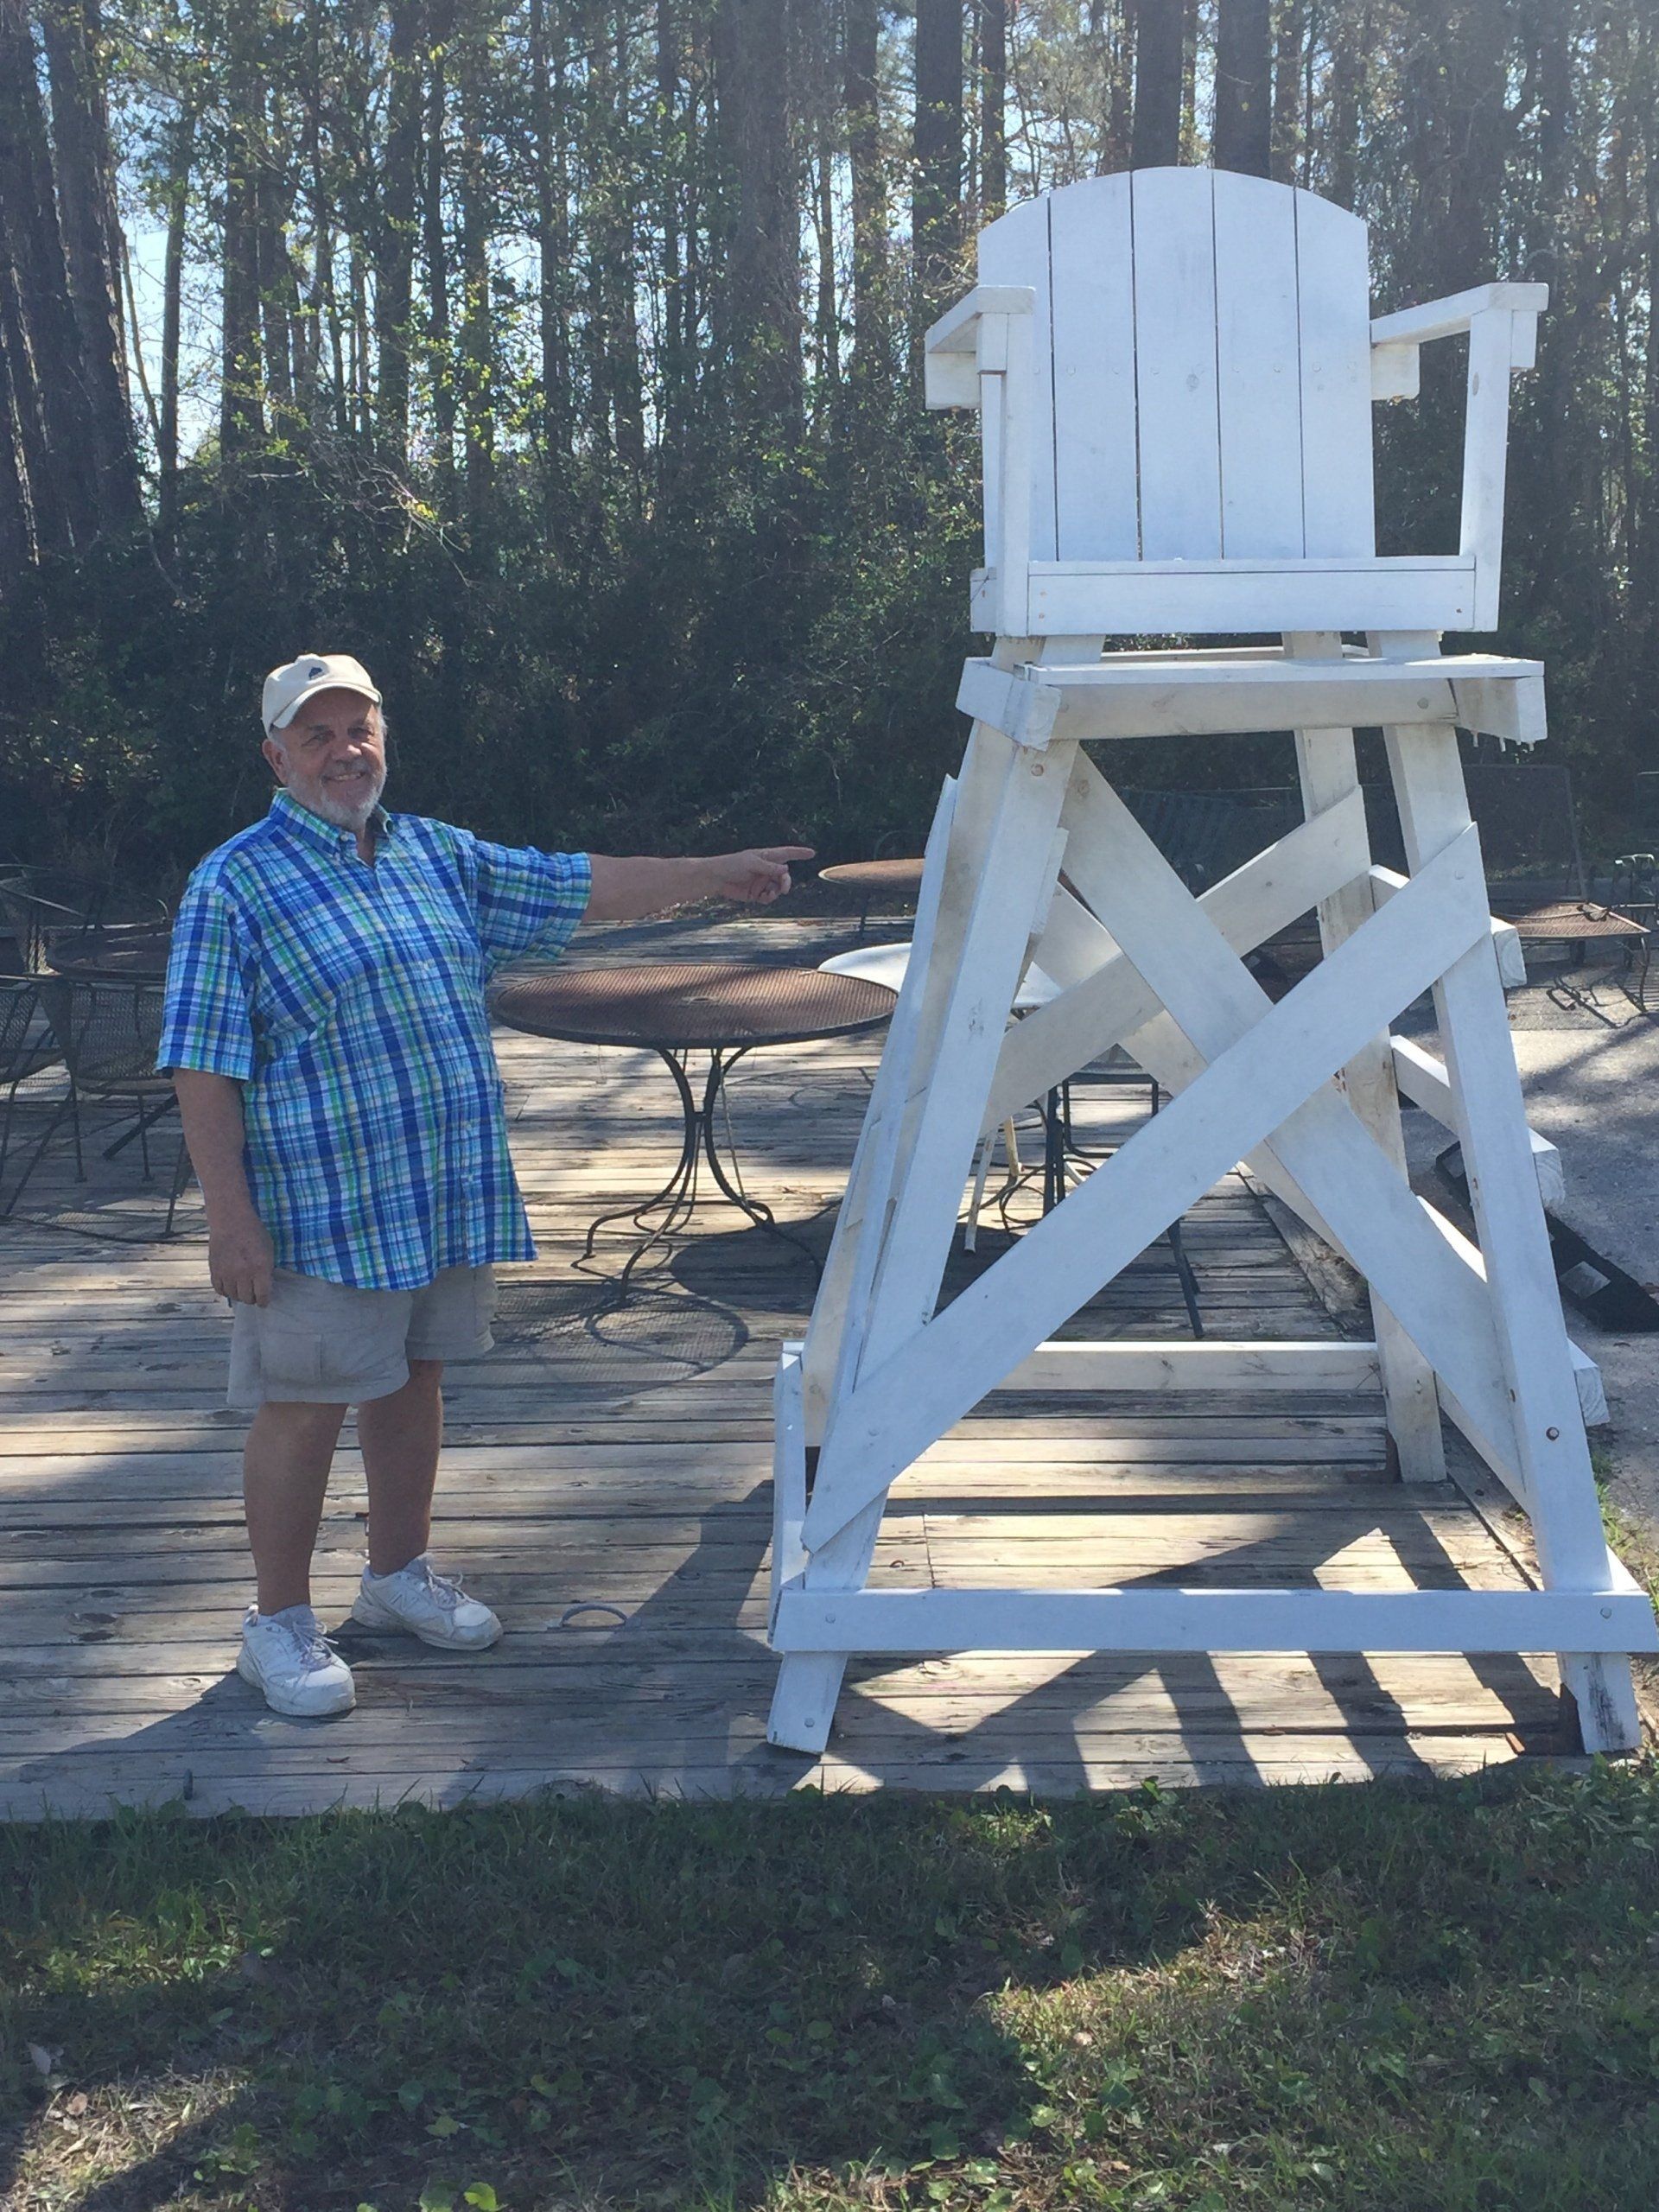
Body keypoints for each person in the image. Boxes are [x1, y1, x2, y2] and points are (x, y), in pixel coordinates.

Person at [158, 652, 810, 1718]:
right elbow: (201, 1061)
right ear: (274, 755)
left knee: (415, 1379)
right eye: (315, 735)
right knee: (304, 1405)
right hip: (321, 1207)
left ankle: (396, 1577)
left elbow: (580, 882)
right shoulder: (234, 882)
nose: (343, 751)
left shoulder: (435, 854)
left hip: (438, 1189)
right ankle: (276, 1624)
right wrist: (230, 1219)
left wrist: (711, 870)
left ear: (383, 737)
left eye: (357, 728)